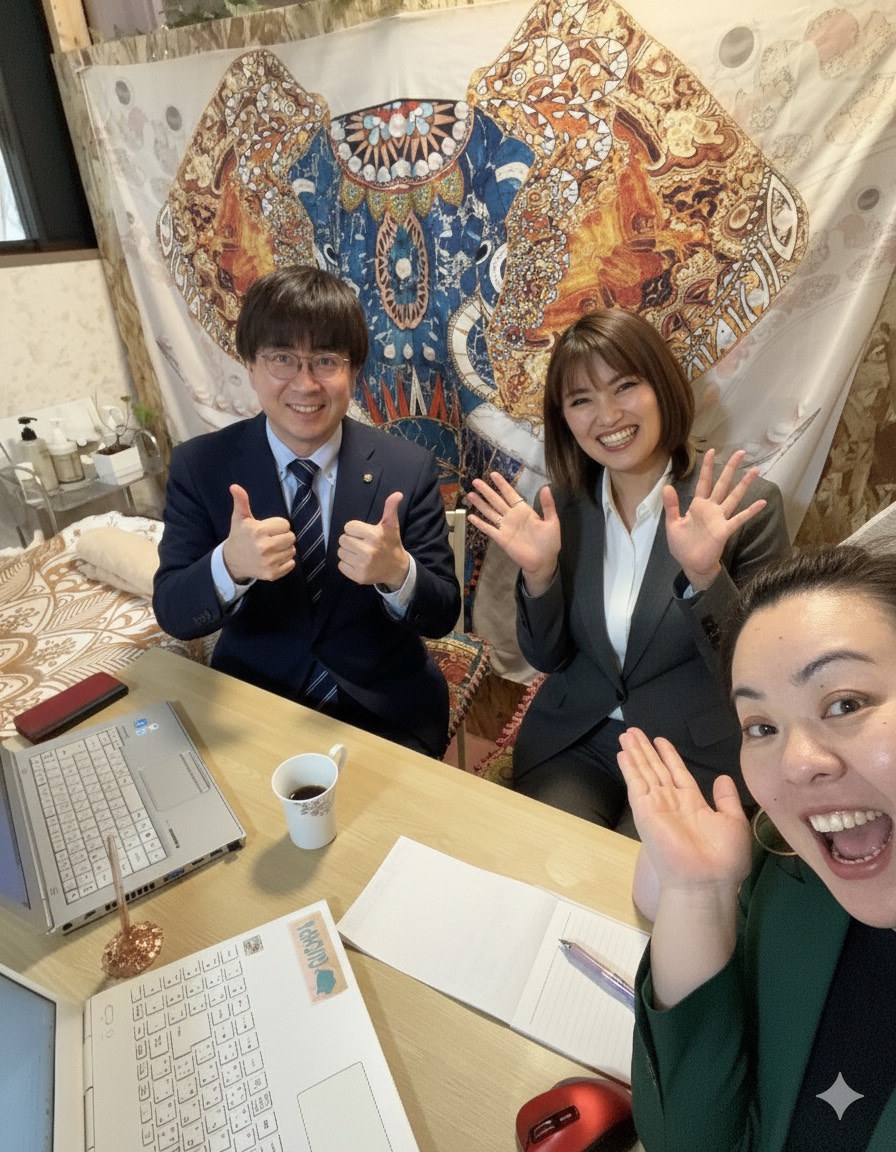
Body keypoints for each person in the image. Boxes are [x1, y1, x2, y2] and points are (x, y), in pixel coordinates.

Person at [619, 544, 896, 1150]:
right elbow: (689, 1140)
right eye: (762, 727)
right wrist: (697, 891)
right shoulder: (788, 873)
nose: (796, 763)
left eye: (845, 704)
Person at [467, 308, 789, 829]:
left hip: (691, 755)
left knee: (648, 875)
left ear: (661, 386)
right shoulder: (561, 509)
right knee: (550, 857)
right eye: (581, 400)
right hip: (578, 739)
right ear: (564, 418)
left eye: (624, 387)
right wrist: (540, 576)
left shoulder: (741, 507)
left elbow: (764, 673)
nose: (608, 415)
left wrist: (706, 578)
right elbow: (548, 657)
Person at [153, 265, 460, 757]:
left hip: (386, 705)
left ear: (353, 373)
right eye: (282, 359)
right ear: (250, 367)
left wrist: (398, 573)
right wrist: (229, 566)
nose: (305, 383)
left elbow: (442, 614)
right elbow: (173, 610)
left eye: (325, 361)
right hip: (254, 702)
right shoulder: (201, 465)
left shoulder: (408, 468)